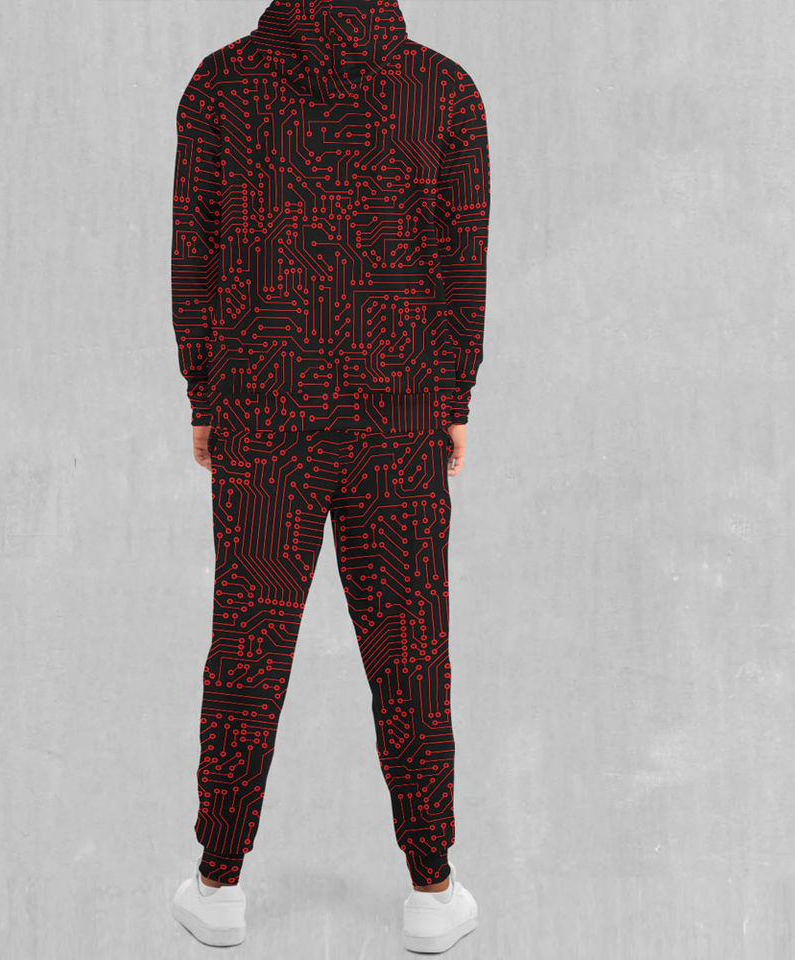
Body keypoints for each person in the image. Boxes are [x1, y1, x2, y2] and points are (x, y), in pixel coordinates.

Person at [168, 0, 490, 952]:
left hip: (265, 400)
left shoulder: (220, 85)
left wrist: (204, 392)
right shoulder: (444, 90)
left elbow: (195, 254)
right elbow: (461, 257)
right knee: (410, 644)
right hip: (399, 405)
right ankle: (432, 886)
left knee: (250, 641)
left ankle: (218, 882)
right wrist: (454, 396)